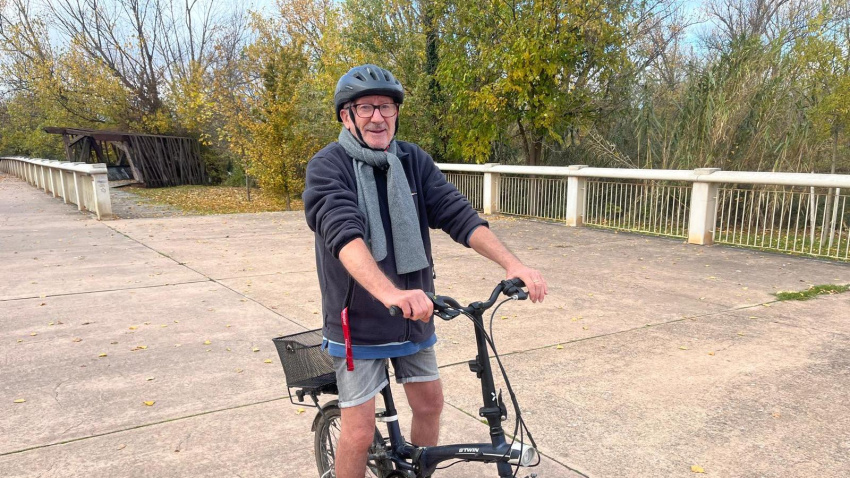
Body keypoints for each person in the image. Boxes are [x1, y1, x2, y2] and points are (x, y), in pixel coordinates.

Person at [303, 64, 548, 478]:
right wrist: (390, 293)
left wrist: (515, 264)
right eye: (365, 108)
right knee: (360, 432)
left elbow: (458, 215)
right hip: (357, 324)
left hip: (415, 316)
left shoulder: (412, 160)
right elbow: (343, 234)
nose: (378, 117)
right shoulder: (329, 166)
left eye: (386, 107)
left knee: (430, 404)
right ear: (346, 115)